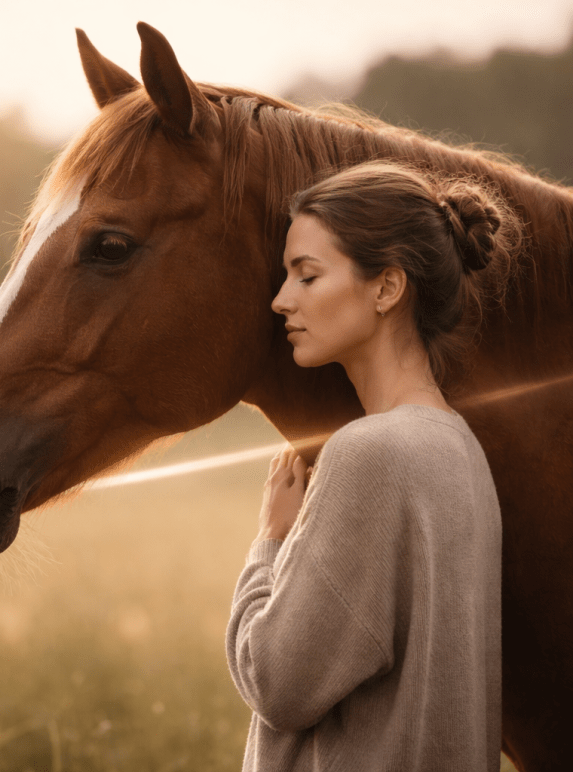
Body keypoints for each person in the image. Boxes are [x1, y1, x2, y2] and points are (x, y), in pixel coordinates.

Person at [226, 161, 519, 771]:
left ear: (387, 288)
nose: (282, 300)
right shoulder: (462, 452)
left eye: (307, 276)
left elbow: (278, 682)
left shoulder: (370, 455)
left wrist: (270, 546)